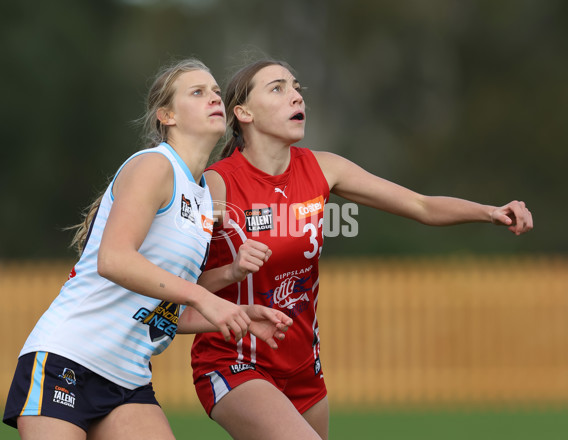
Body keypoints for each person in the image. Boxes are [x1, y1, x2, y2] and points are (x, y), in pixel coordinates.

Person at [190, 59, 534, 440]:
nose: (295, 95)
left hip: (302, 363)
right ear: (244, 113)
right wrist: (231, 272)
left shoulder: (323, 168)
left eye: (296, 87)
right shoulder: (217, 186)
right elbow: (173, 289)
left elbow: (420, 205)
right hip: (234, 360)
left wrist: (490, 212)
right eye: (277, 88)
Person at [2, 58, 292, 440]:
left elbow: (164, 309)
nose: (214, 98)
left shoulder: (204, 197)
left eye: (216, 92)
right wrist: (206, 299)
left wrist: (234, 313)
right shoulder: (154, 166)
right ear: (166, 116)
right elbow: (114, 260)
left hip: (128, 380)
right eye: (198, 92)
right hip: (67, 358)